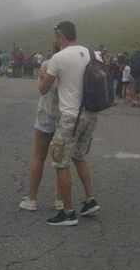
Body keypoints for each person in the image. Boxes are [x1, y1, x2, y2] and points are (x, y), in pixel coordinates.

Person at [39, 21, 100, 226]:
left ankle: (68, 212)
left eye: (55, 37)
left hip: (70, 116)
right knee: (79, 156)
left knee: (59, 160)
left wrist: (42, 78)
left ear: (60, 36)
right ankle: (90, 200)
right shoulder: (93, 53)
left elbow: (43, 89)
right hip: (91, 114)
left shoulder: (59, 58)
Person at [19, 53, 63, 212]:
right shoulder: (72, 65)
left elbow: (41, 89)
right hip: (63, 116)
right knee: (61, 160)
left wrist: (43, 78)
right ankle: (60, 199)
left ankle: (32, 199)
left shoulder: (47, 63)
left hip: (45, 113)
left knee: (38, 158)